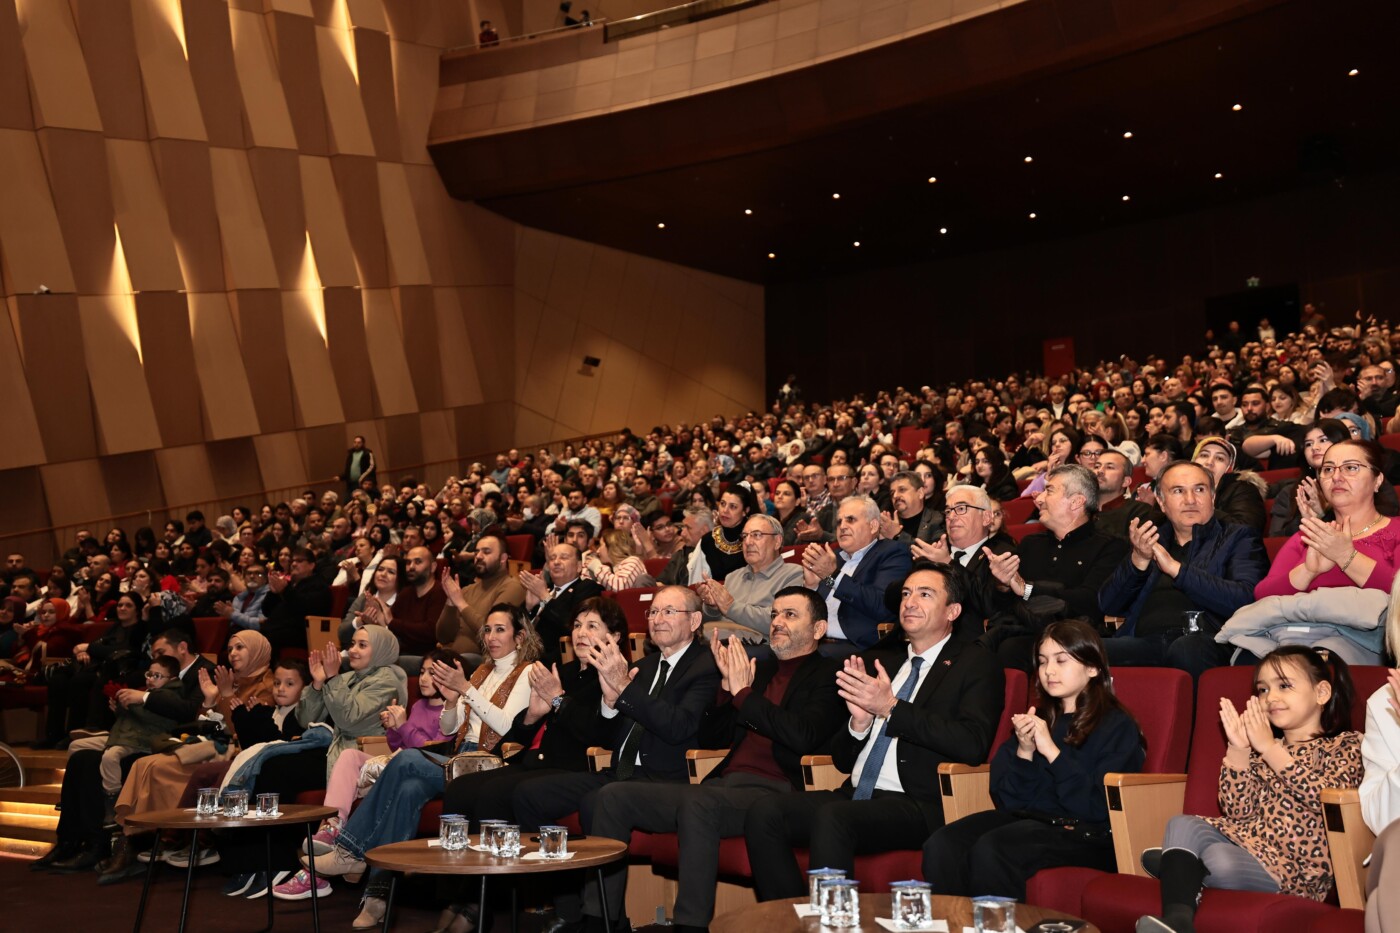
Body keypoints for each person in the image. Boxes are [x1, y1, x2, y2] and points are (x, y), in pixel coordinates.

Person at [588, 587, 845, 932]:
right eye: (774, 615)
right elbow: (713, 739)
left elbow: (804, 736)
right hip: (726, 785)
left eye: (790, 615)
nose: (777, 623)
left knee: (700, 801)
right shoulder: (760, 670)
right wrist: (726, 692)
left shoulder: (830, 675)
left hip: (777, 791)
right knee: (613, 796)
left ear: (818, 629)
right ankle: (600, 920)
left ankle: (690, 925)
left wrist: (743, 694)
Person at [745, 561, 1005, 899]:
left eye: (925, 595)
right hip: (856, 794)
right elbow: (840, 759)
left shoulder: (976, 663)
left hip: (917, 802)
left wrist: (892, 709)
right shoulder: (886, 663)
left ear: (953, 610)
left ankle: (832, 923)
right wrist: (859, 724)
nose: (909, 602)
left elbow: (971, 743)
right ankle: (791, 913)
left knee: (833, 818)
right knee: (765, 812)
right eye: (907, 594)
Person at [296, 606, 539, 921]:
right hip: (459, 754)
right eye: (488, 630)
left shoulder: (527, 671)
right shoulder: (481, 672)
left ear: (520, 636)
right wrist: (453, 701)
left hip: (489, 764)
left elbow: (508, 727)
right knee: (409, 788)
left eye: (500, 629)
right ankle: (378, 896)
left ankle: (351, 849)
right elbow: (451, 728)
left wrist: (465, 690)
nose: (491, 637)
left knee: (408, 758)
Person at [508, 586, 719, 932]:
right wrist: (610, 702)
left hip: (666, 779)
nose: (657, 619)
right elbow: (608, 730)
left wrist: (625, 689)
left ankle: (601, 919)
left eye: (669, 612)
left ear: (695, 620)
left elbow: (679, 727)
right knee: (529, 794)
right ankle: (569, 906)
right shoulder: (645, 665)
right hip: (618, 772)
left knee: (603, 799)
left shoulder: (706, 666)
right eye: (653, 612)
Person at [1135, 646, 1362, 932]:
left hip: (1297, 869)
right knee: (1181, 823)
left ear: (1321, 693)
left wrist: (1268, 748)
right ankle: (1178, 920)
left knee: (1218, 857)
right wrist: (1239, 749)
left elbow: (1325, 798)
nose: (1271, 698)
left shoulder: (1347, 744)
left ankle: (1180, 864)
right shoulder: (1263, 748)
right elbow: (1237, 813)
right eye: (1263, 690)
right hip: (1249, 843)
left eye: (1284, 686)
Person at [921, 620, 1146, 900]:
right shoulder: (1037, 718)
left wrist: (1051, 751)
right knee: (943, 844)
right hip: (1031, 822)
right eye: (1042, 662)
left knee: (995, 848)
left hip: (1086, 833)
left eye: (1061, 660)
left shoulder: (1116, 725)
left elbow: (1096, 807)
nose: (1048, 671)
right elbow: (1009, 802)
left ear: (1093, 668)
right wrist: (1024, 752)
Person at [1100, 461, 1268, 679]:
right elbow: (1109, 604)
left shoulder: (1239, 537)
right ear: (1161, 501)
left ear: (1213, 497)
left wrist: (1177, 570)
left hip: (1211, 640)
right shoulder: (1151, 540)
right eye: (1178, 491)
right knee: (1080, 651)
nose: (1191, 500)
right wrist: (1138, 561)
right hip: (1145, 642)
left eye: (1199, 489)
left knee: (1187, 649)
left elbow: (1246, 599)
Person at [302, 648, 457, 858]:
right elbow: (397, 747)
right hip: (399, 763)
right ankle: (332, 824)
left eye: (432, 673)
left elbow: (430, 751)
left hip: (423, 771)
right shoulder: (419, 705)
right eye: (422, 672)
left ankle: (349, 849)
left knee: (398, 776)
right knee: (349, 754)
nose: (423, 679)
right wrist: (393, 728)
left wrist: (403, 726)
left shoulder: (453, 710)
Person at [981, 465, 1129, 669]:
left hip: (1073, 639)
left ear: (1077, 501)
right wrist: (1003, 585)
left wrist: (1027, 589)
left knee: (1011, 649)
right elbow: (997, 606)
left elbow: (1091, 600)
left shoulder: (1110, 546)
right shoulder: (1030, 544)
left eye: (1049, 490)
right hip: (1024, 632)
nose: (1039, 499)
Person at [1254, 439, 1400, 600]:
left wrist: (1345, 556)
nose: (1336, 477)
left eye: (1350, 468)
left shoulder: (1397, 530)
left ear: (1377, 480)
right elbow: (1262, 595)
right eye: (1328, 469)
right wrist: (1308, 571)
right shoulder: (1309, 537)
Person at [800, 495, 913, 653]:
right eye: (839, 522)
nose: (842, 527)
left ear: (873, 526)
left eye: (850, 520)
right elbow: (810, 613)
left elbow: (882, 606)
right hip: (815, 641)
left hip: (856, 645)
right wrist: (811, 588)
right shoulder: (834, 557)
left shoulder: (892, 553)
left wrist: (833, 575)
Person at [698, 514, 805, 643]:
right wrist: (712, 607)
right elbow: (708, 624)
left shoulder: (793, 574)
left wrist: (731, 607)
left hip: (760, 650)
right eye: (744, 536)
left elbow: (782, 621)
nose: (748, 542)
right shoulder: (733, 577)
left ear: (777, 541)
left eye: (757, 535)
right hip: (717, 643)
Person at [438, 534, 528, 659]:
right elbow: (443, 637)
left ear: (503, 558)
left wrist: (460, 603)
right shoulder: (467, 590)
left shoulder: (512, 587)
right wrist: (450, 603)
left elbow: (493, 632)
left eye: (486, 552)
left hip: (485, 663)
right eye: (476, 552)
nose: (478, 556)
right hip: (453, 658)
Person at [521, 542, 605, 666]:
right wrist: (529, 607)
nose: (556, 562)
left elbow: (571, 625)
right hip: (525, 654)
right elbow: (515, 628)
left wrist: (545, 597)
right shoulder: (544, 589)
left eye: (564, 557)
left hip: (557, 658)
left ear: (578, 566)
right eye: (552, 558)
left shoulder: (587, 588)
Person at [260, 546, 333, 655]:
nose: (293, 564)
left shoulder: (319, 585)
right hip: (278, 630)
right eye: (292, 561)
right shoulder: (290, 585)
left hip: (303, 633)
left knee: (265, 639)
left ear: (311, 565)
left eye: (299, 561)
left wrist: (285, 590)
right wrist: (273, 593)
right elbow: (266, 611)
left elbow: (306, 609)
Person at [338, 435, 376, 500]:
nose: (356, 444)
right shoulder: (350, 454)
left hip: (363, 484)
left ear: (363, 444)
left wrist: (362, 478)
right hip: (350, 484)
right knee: (347, 500)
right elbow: (348, 470)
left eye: (359, 443)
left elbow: (372, 467)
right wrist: (340, 477)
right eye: (355, 442)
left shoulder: (367, 453)